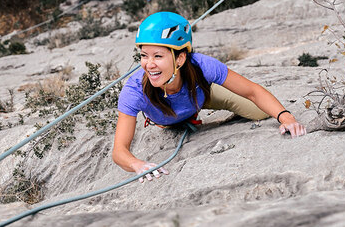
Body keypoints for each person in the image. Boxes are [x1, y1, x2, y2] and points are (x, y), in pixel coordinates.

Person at [112, 12, 307, 183]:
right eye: (144, 55)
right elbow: (120, 151)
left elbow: (252, 91)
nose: (149, 64)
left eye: (158, 56)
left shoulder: (202, 66)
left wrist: (285, 117)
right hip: (168, 119)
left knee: (260, 112)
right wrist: (138, 165)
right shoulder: (135, 91)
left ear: (180, 58)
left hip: (201, 97)